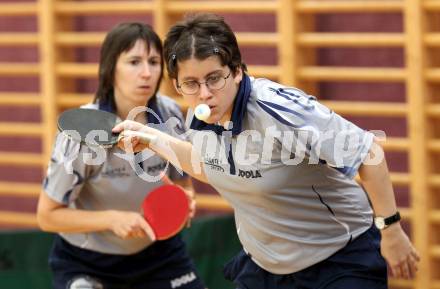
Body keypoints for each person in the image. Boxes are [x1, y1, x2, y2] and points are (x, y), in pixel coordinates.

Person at [113, 14, 420, 289]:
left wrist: (391, 230)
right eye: (191, 83)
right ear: (177, 86)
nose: (205, 93)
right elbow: (210, 166)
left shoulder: (278, 111)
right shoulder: (198, 117)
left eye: (214, 78)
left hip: (338, 258)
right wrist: (152, 138)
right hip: (266, 266)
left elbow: (369, 154)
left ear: (236, 71)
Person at [37, 22, 205, 289]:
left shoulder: (170, 114)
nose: (147, 73)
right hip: (88, 261)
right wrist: (112, 219)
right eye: (134, 62)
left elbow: (182, 183)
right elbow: (47, 216)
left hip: (160, 254)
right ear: (110, 68)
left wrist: (186, 200)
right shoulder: (80, 133)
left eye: (153, 61)